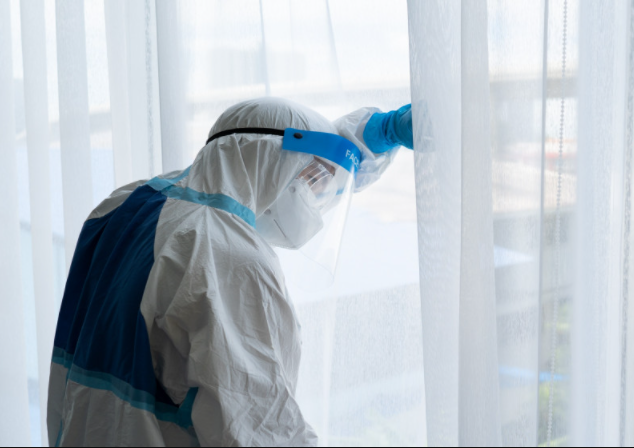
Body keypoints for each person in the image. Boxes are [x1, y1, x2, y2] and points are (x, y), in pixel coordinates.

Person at [47, 97, 414, 447]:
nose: (315, 196)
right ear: (274, 163)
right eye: (312, 179)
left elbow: (276, 145)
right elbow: (259, 429)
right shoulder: (229, 259)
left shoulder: (126, 204)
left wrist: (369, 139)